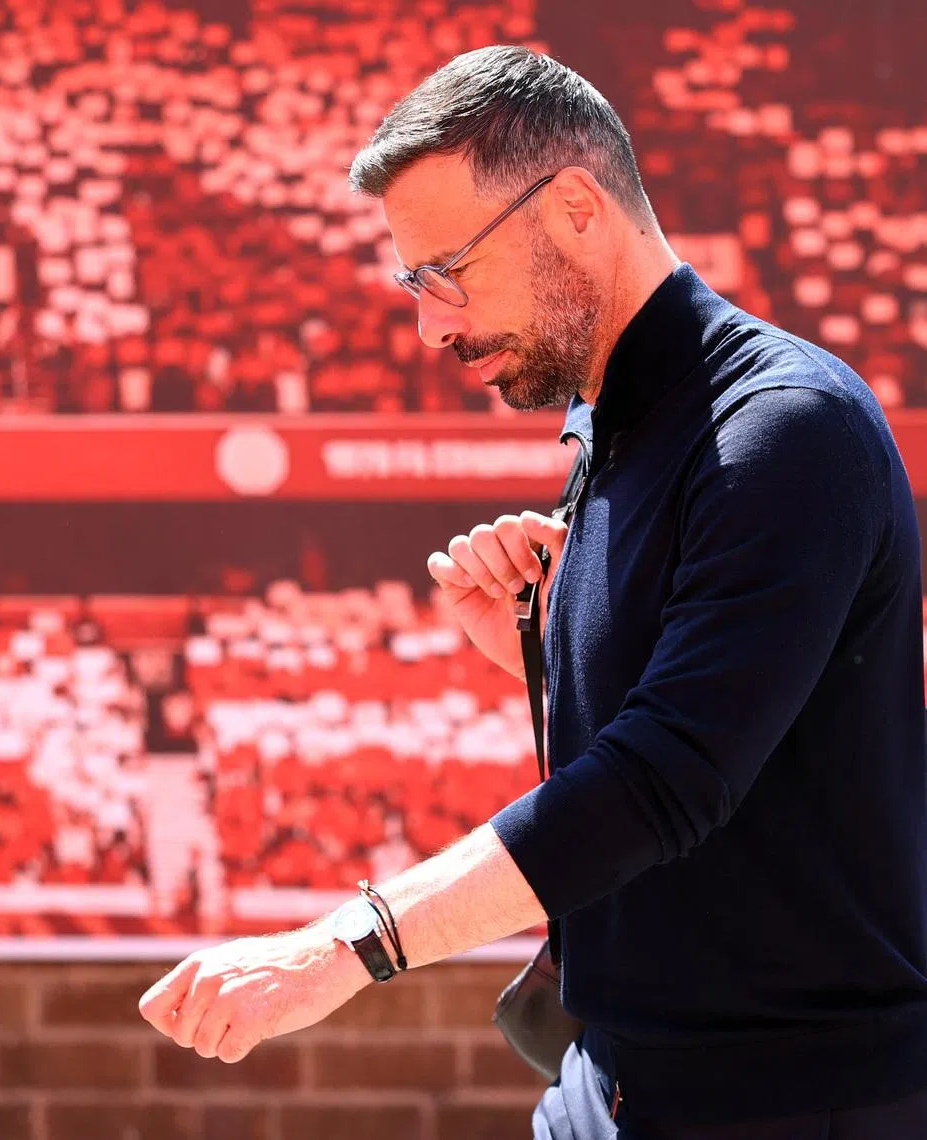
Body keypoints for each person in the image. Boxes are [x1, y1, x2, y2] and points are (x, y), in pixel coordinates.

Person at [138, 46, 927, 1138]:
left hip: (787, 1103)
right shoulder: (615, 426)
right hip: (607, 1086)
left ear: (571, 208)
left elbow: (663, 783)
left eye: (447, 273)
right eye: (415, 283)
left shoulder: (783, 428)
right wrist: (539, 646)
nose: (434, 326)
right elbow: (727, 730)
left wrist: (340, 949)